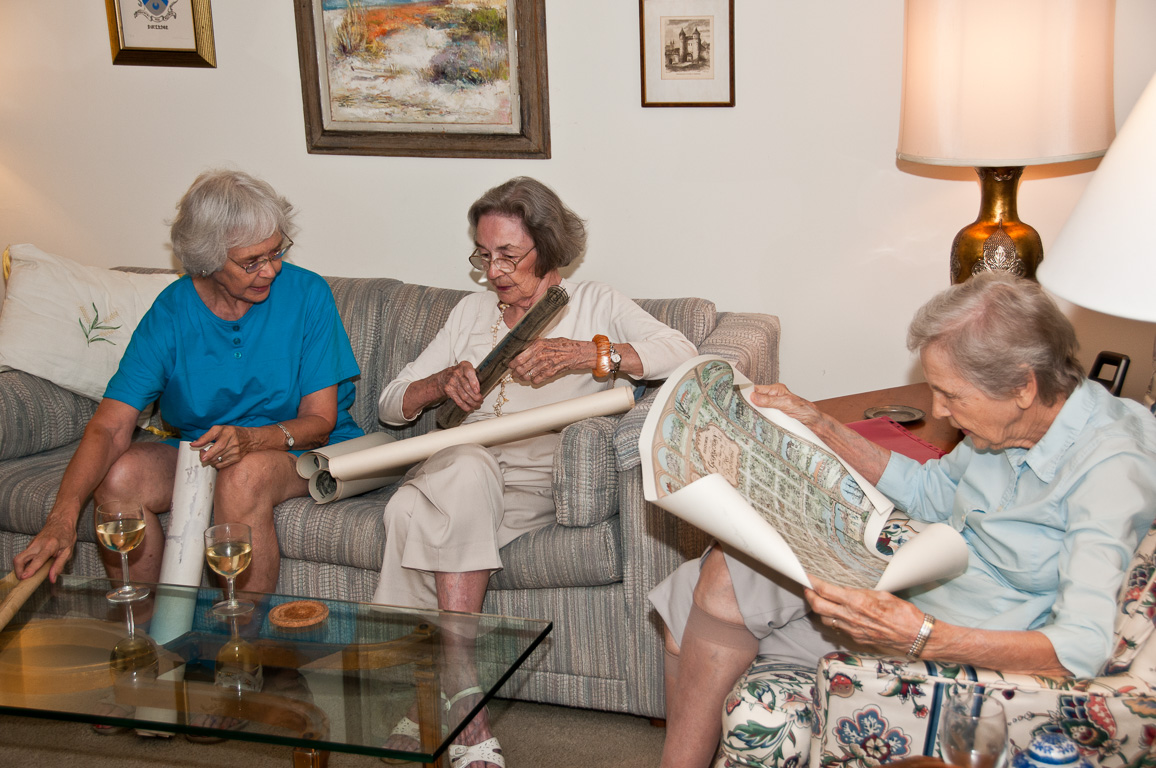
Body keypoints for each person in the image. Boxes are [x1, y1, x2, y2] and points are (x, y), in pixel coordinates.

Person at [649, 272, 1156, 768]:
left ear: (1024, 385)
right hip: (921, 573)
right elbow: (930, 491)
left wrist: (924, 637)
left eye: (952, 395)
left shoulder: (1110, 468)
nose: (938, 408)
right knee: (720, 570)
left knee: (704, 601)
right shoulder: (1011, 425)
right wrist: (822, 427)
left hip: (962, 635)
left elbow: (1082, 647)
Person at [374, 176, 698, 768]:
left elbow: (683, 351)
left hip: (534, 471)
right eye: (483, 255)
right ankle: (466, 699)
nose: (493, 271)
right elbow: (390, 403)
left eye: (507, 255)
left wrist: (590, 354)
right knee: (451, 476)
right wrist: (439, 383)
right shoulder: (469, 312)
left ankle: (424, 696)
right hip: (460, 461)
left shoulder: (594, 302)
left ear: (546, 248)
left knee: (409, 509)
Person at [13, 169, 363, 601]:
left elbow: (320, 421)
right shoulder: (172, 311)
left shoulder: (308, 295)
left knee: (243, 475)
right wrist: (61, 518)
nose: (270, 270)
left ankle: (249, 654)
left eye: (276, 252)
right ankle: (150, 643)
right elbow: (110, 426)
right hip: (202, 453)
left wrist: (252, 440)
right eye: (251, 261)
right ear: (208, 259)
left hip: (296, 449)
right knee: (120, 477)